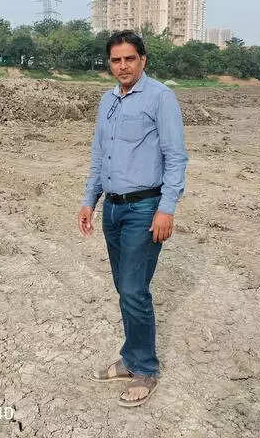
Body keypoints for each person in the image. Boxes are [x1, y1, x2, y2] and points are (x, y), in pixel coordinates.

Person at [77, 29, 188, 407]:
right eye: (115, 60)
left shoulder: (160, 98)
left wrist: (167, 208)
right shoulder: (107, 101)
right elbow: (98, 155)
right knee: (125, 288)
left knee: (133, 289)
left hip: (145, 208)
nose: (122, 66)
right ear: (109, 64)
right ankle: (130, 357)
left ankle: (145, 369)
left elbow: (176, 158)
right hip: (113, 207)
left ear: (143, 59)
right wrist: (88, 200)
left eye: (129, 58)